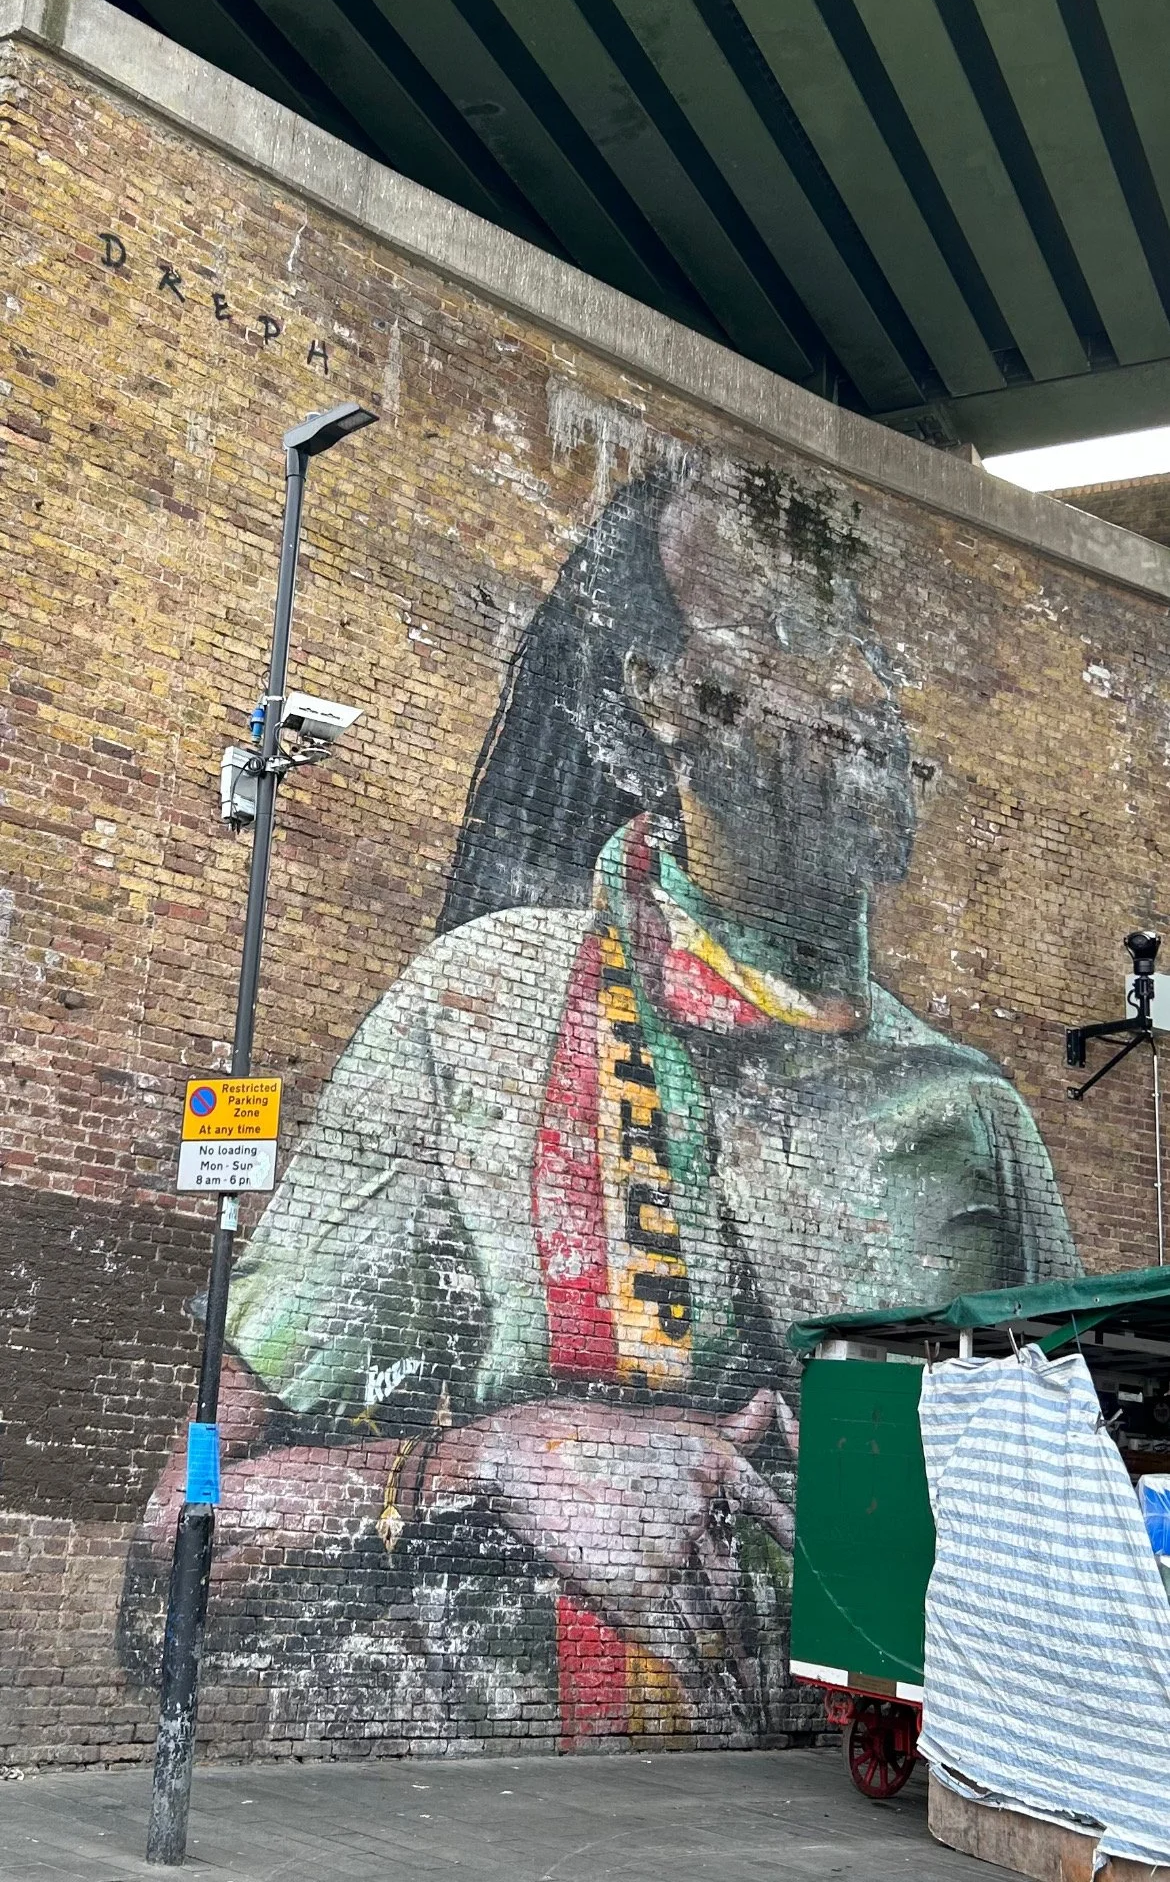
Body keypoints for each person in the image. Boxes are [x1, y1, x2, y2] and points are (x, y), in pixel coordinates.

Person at [127, 463, 1078, 1743]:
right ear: (653, 705)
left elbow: (1068, 1522)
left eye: (860, 640)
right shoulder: (480, 1011)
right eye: (786, 637)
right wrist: (496, 1464)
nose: (857, 691)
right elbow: (173, 1562)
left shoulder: (976, 1116)